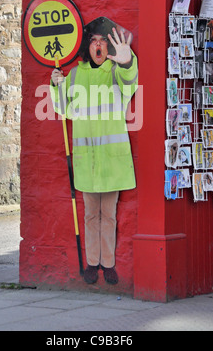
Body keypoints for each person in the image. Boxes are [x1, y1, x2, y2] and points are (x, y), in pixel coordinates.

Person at [50, 17, 138, 285]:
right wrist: (56, 85)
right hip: (87, 159)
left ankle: (108, 264)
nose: (97, 46)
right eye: (93, 41)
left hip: (111, 160)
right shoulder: (75, 74)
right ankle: (92, 263)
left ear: (107, 46)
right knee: (90, 215)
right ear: (87, 47)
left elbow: (130, 80)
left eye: (102, 41)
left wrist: (126, 61)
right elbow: (63, 108)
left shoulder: (114, 71)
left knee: (109, 214)